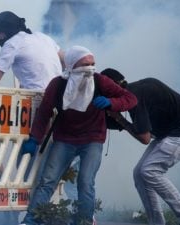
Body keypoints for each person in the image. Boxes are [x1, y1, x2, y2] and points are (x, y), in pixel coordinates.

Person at [19, 46, 138, 225]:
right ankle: (32, 220)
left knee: (85, 182)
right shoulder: (58, 84)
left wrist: (111, 102)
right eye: (85, 64)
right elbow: (44, 112)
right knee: (47, 180)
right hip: (65, 139)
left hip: (92, 139)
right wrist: (35, 138)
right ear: (72, 66)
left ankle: (84, 221)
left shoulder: (100, 80)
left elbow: (130, 98)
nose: (90, 69)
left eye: (93, 64)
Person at [101, 68, 180, 225]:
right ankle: (157, 222)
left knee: (149, 170)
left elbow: (145, 138)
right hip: (174, 131)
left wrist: (120, 119)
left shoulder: (134, 97)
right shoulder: (137, 90)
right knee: (139, 174)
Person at [0, 11, 65, 90]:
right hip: (58, 95)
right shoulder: (43, 37)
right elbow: (66, 60)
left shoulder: (12, 43)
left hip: (37, 98)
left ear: (3, 32)